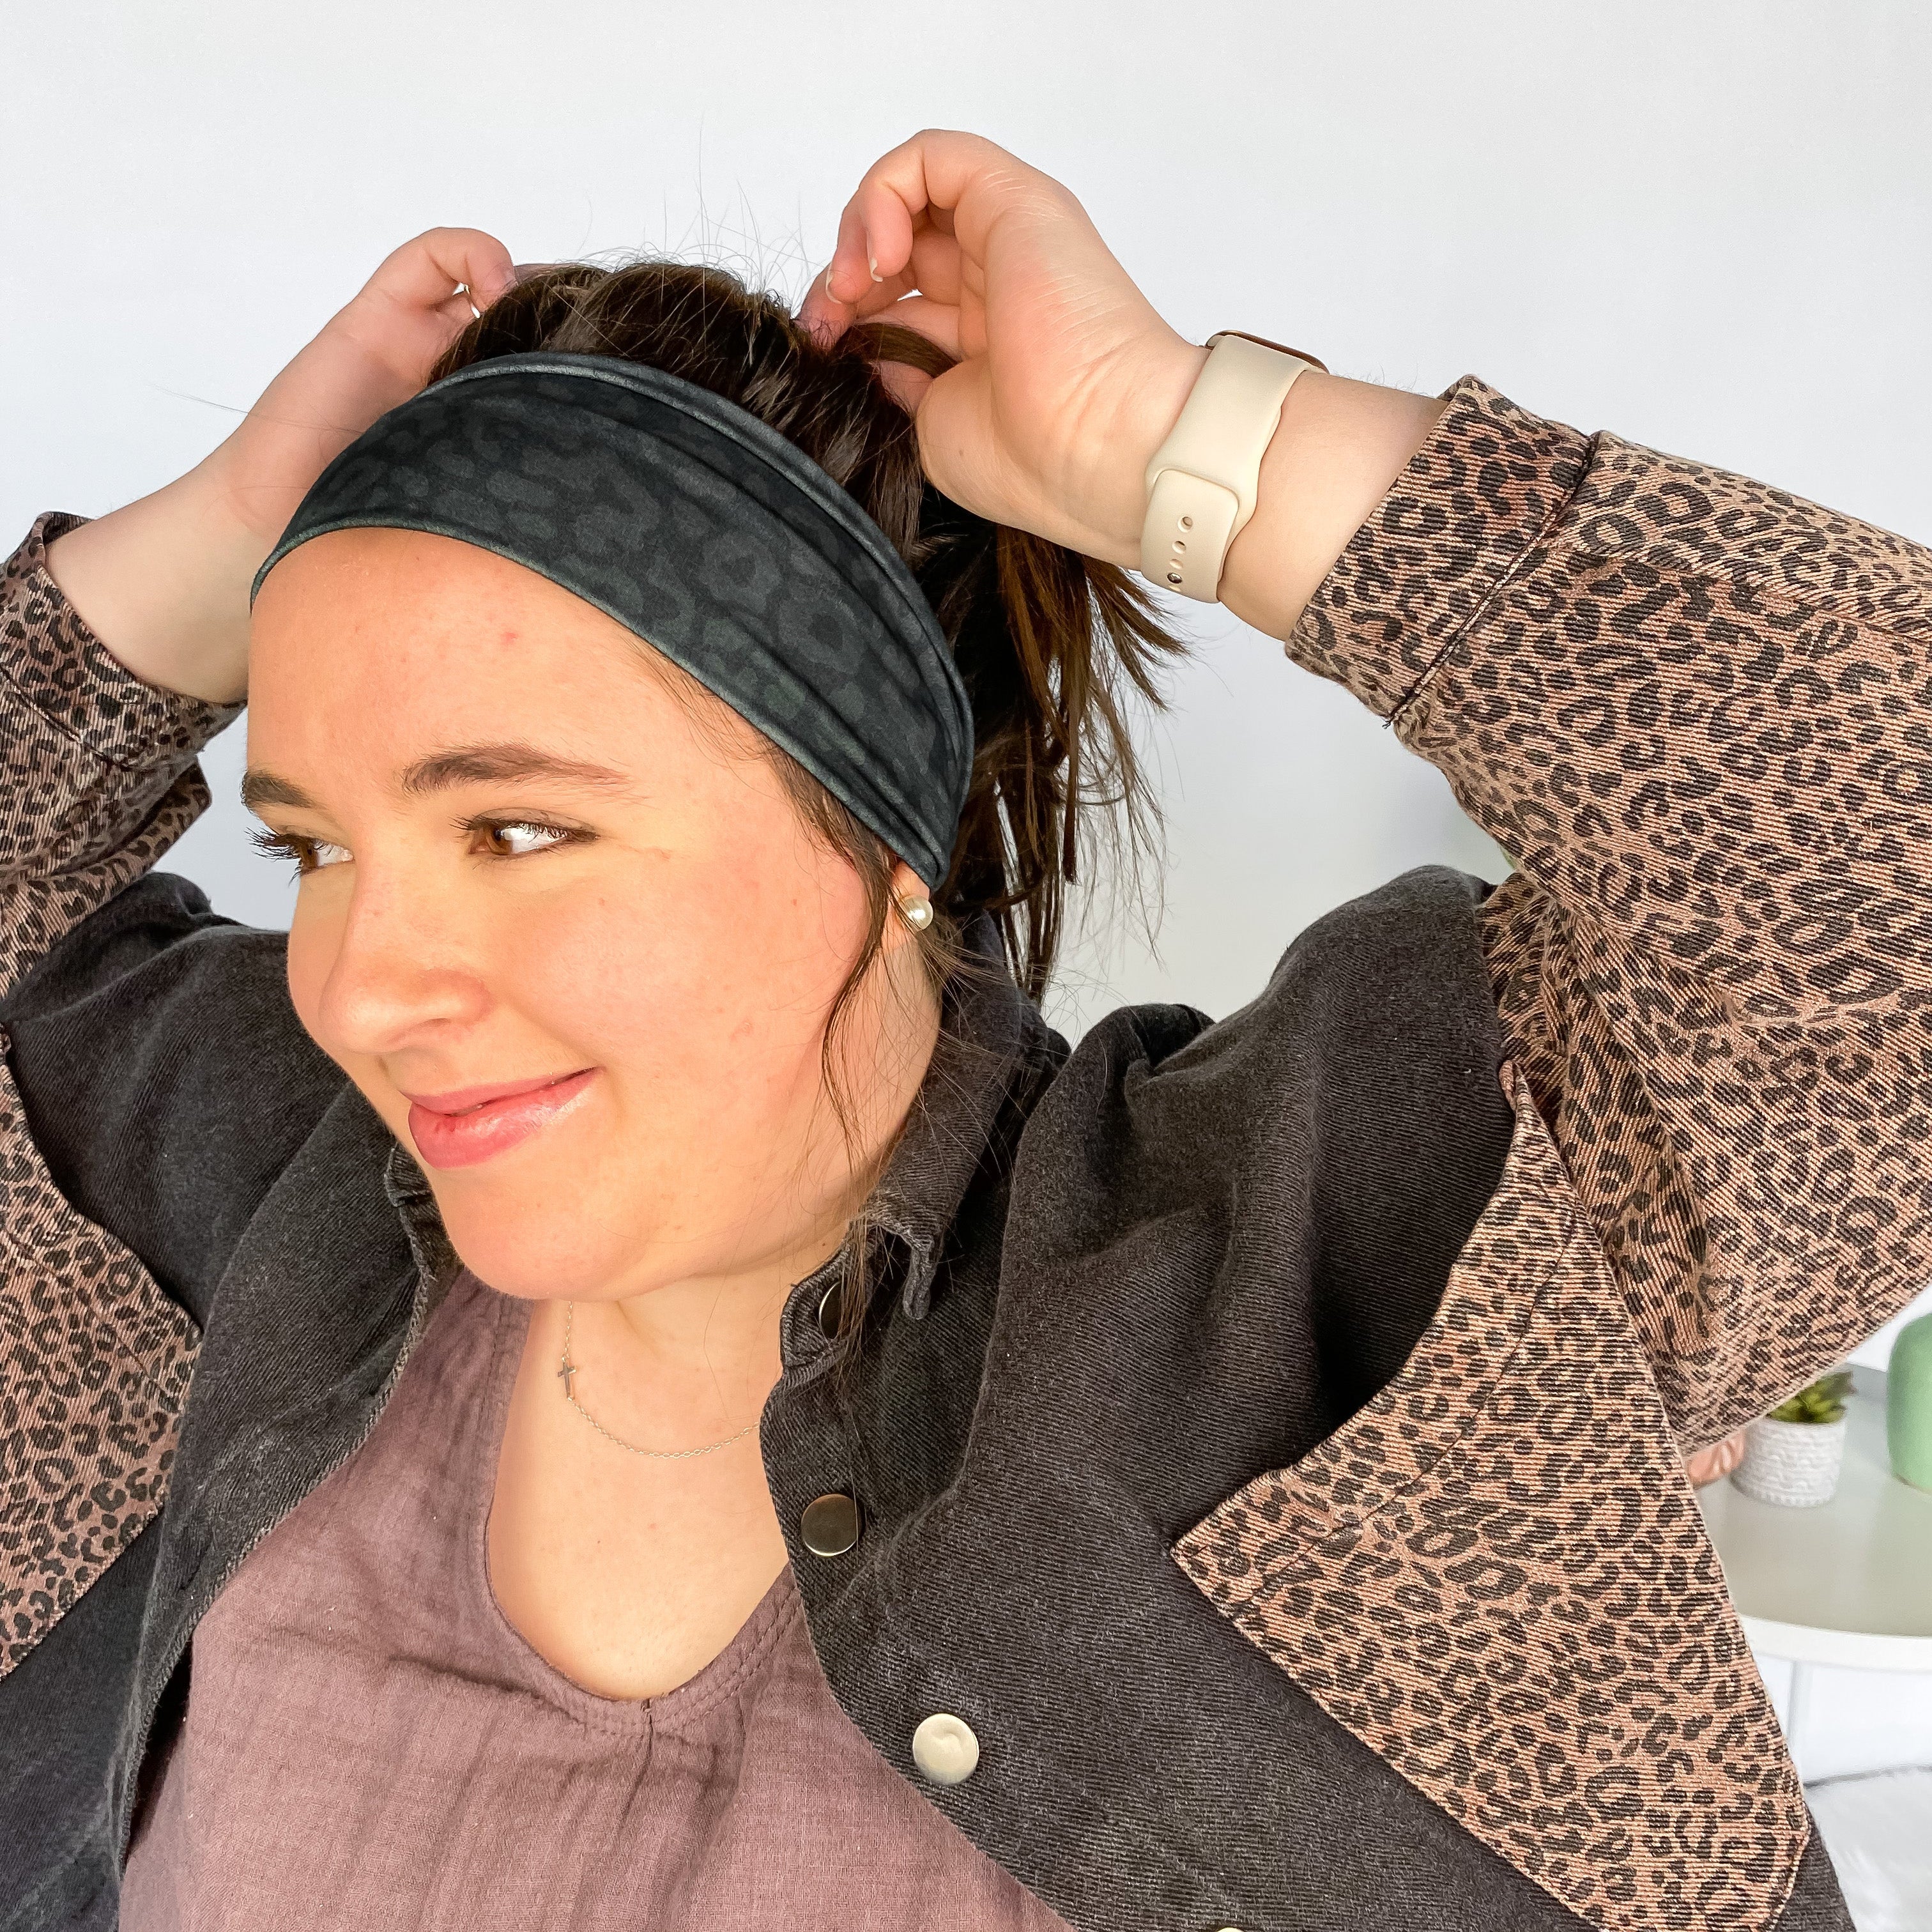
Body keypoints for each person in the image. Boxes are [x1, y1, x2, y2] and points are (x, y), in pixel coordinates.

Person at [0, 128, 1923, 1932]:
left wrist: (1177, 442)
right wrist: (234, 529)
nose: (360, 986)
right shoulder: (242, 1189)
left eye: (517, 828)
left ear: (887, 842)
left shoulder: (1331, 1270)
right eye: (317, 848)